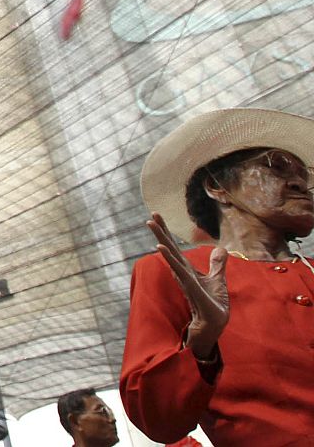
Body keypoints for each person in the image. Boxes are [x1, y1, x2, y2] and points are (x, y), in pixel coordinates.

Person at [120, 107, 314, 445]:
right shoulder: (173, 273)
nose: (301, 184)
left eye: (306, 178)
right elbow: (158, 419)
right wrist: (202, 340)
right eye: (277, 166)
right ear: (217, 186)